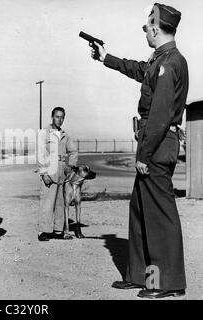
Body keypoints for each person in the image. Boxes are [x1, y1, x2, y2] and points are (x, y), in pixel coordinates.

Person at [91, 3, 188, 298]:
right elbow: (137, 69)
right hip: (154, 144)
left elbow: (159, 116)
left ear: (156, 28)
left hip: (156, 146)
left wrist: (143, 156)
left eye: (146, 26)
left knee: (158, 216)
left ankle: (164, 283)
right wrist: (106, 57)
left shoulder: (169, 64)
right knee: (141, 212)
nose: (144, 30)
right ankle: (140, 275)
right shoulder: (161, 60)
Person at [37, 107, 78, 241]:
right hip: (49, 170)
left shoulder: (65, 135)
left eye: (62, 117)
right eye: (57, 117)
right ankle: (43, 231)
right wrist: (44, 173)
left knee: (60, 202)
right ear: (52, 117)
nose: (59, 120)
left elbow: (73, 151)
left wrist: (70, 166)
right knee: (47, 202)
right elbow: (40, 154)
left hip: (62, 172)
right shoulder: (44, 133)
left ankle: (58, 230)